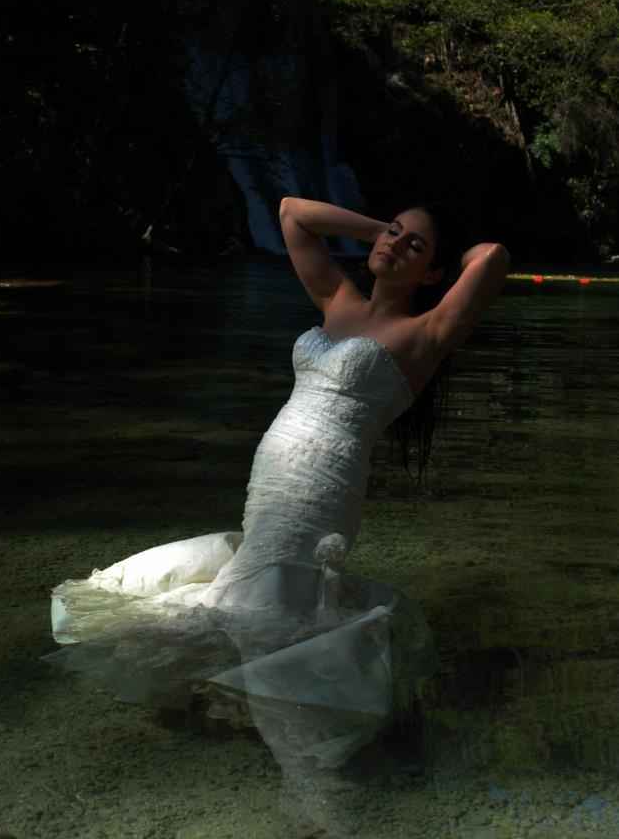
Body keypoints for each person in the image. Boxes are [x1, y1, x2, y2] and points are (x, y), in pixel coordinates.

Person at [44, 196, 509, 830]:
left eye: (413, 246)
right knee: (255, 600)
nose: (395, 246)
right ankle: (238, 709)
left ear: (433, 274)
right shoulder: (339, 303)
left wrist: (441, 255)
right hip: (272, 483)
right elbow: (293, 213)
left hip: (324, 491)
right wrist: (384, 232)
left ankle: (316, 788)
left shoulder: (424, 334)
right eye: (393, 233)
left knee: (264, 607)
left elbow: (493, 257)